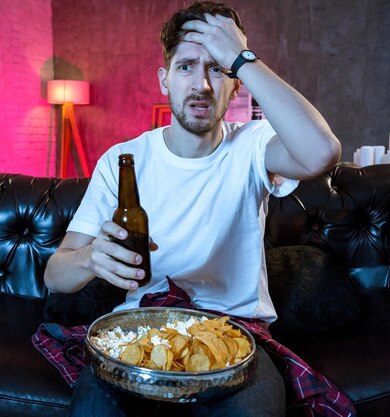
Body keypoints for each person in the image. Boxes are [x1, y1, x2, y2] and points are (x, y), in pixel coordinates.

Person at [43, 2, 343, 416]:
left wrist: (242, 58)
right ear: (164, 80)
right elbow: (55, 275)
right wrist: (91, 258)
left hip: (236, 333)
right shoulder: (122, 160)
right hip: (142, 330)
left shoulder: (254, 145)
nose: (201, 83)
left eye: (217, 68)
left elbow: (321, 152)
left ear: (236, 84)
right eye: (186, 67)